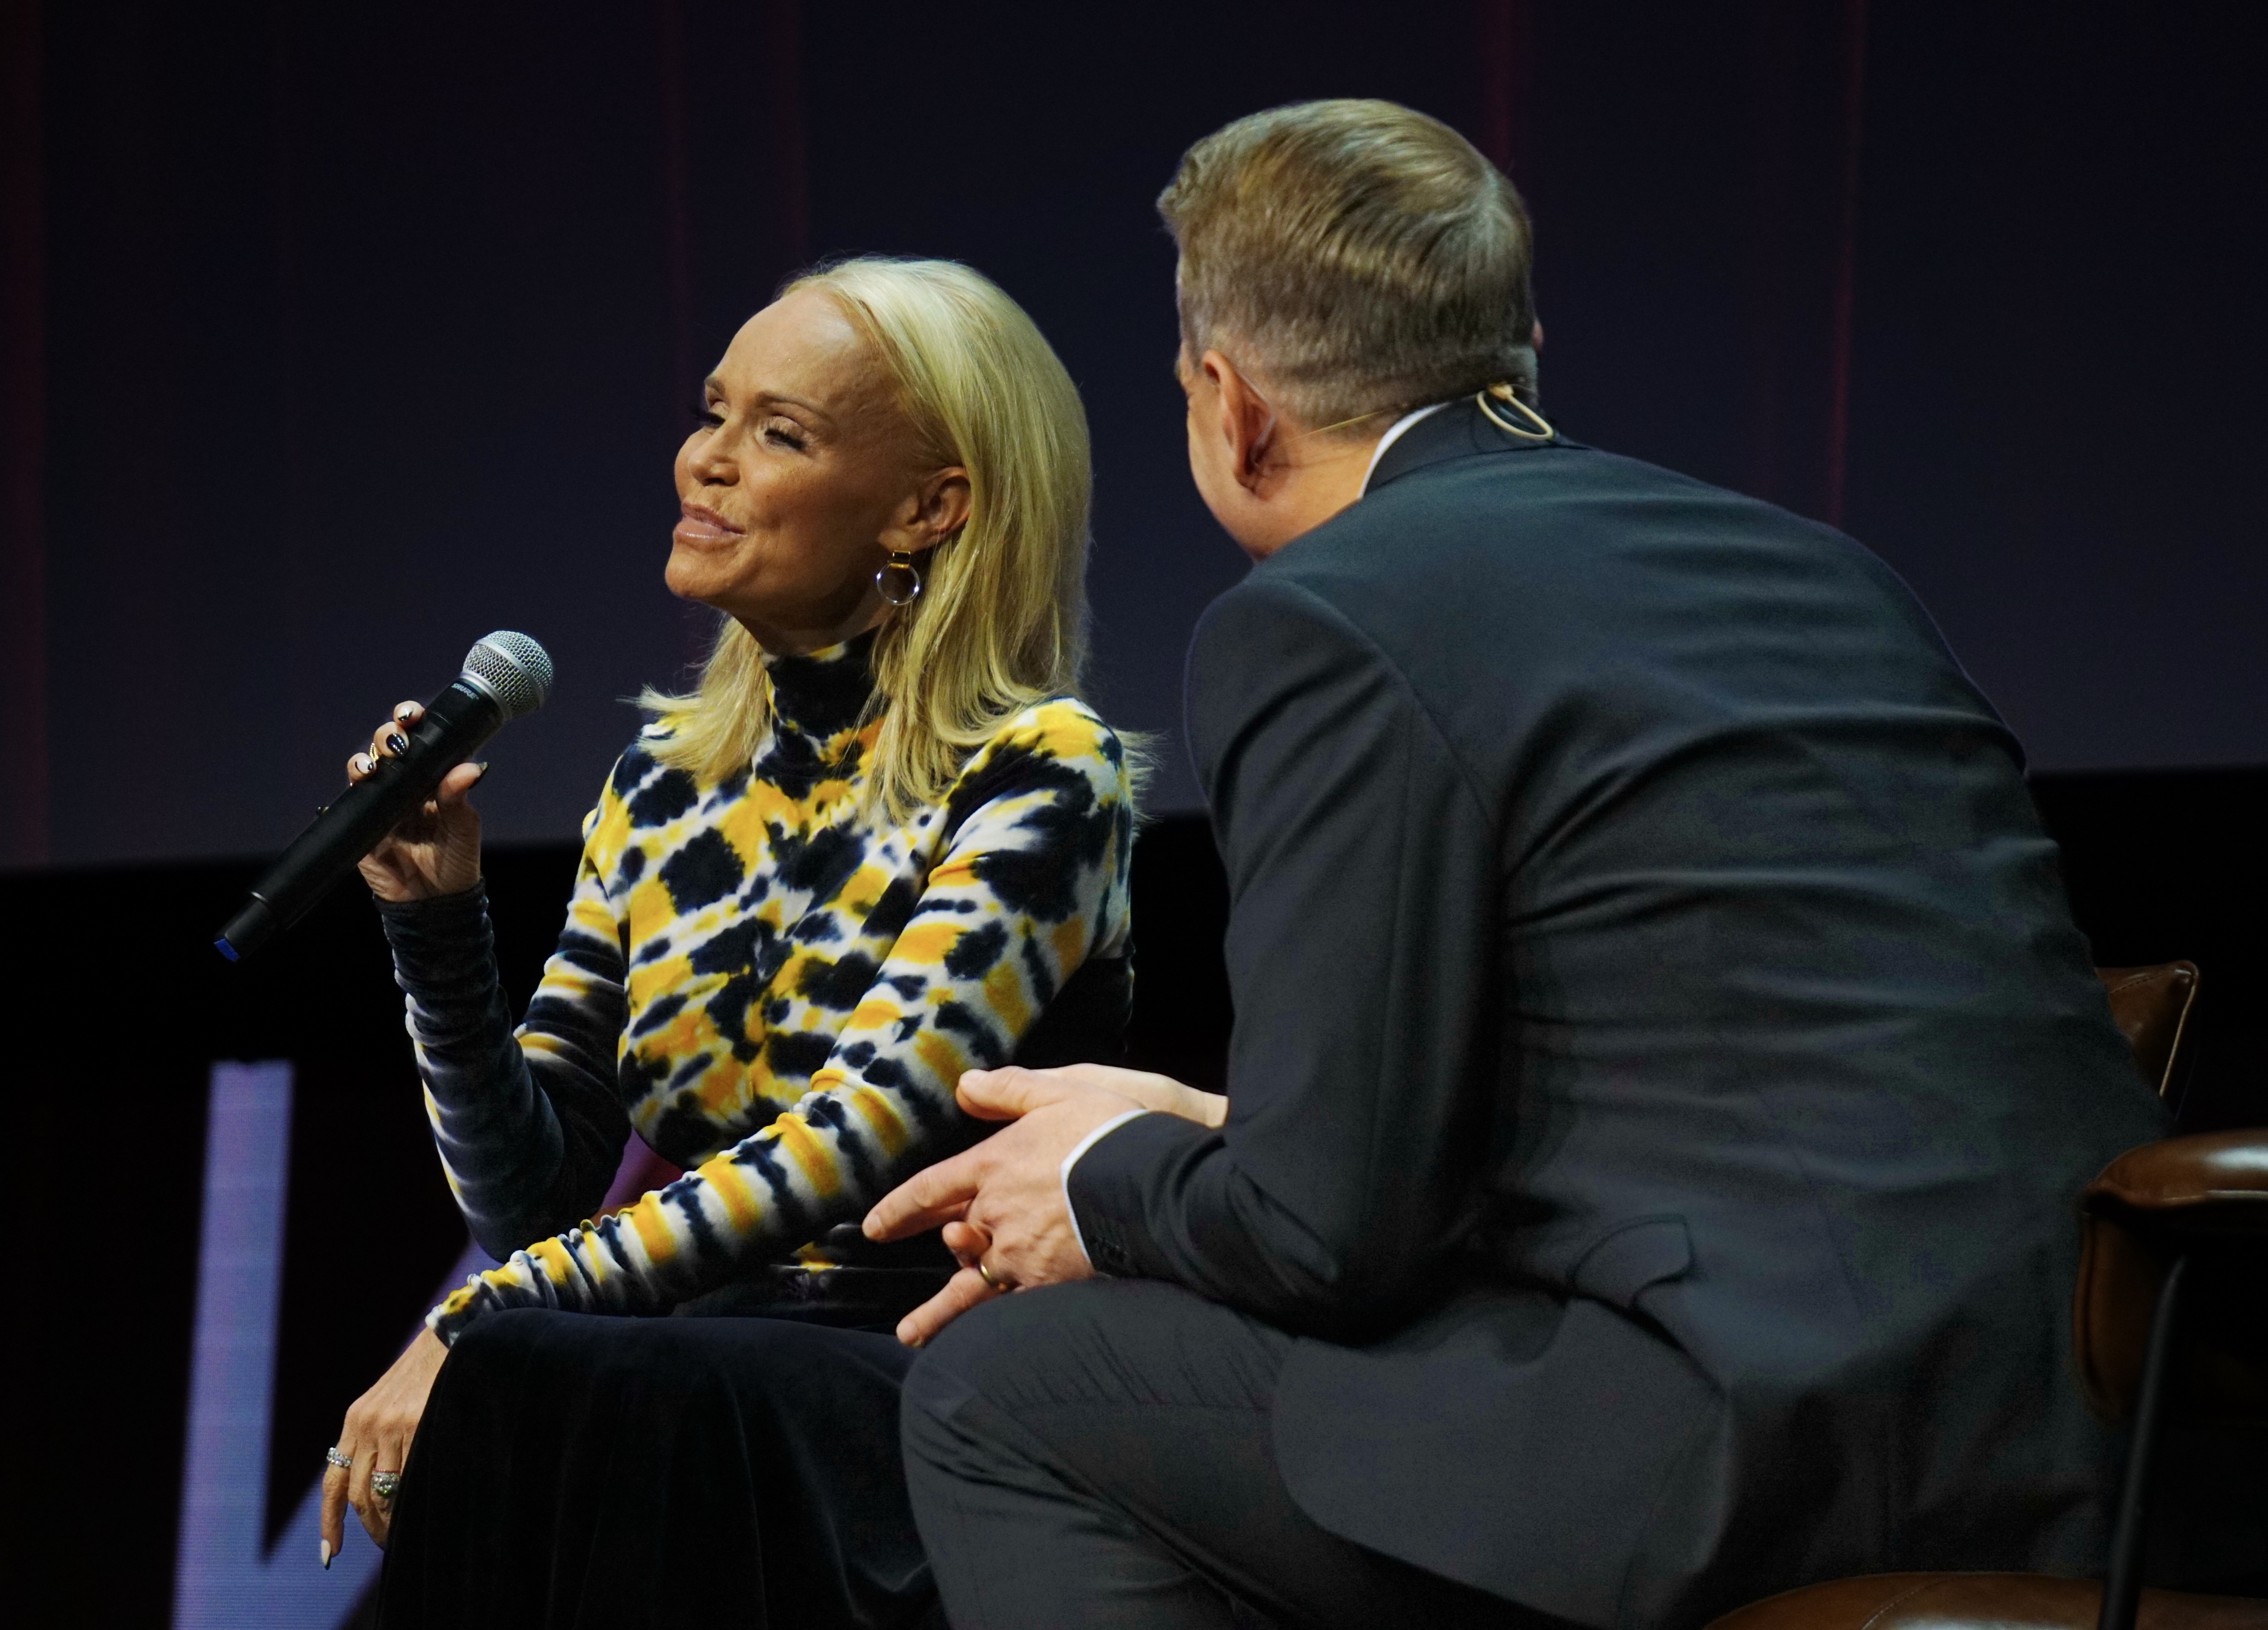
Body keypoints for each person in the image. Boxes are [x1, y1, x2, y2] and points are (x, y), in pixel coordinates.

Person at [861, 101, 2167, 1628]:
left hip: (1758, 1452)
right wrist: (1207, 1125)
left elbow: (1323, 1241)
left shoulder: (1326, 615)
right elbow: (1709, 1079)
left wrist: (1101, 1181)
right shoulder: (1817, 566)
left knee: (1008, 1391)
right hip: (2096, 1430)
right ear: (1521, 346)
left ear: (1233, 403)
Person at [316, 256, 1147, 1630]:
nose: (708, 461)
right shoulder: (663, 778)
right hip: (685, 1374)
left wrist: (469, 1321)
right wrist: (436, 930)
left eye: (782, 434)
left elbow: (853, 1141)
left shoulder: (1042, 773)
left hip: (910, 1380)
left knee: (549, 1371)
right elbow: (534, 1198)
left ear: (930, 507)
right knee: (566, 1376)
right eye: (714, 412)